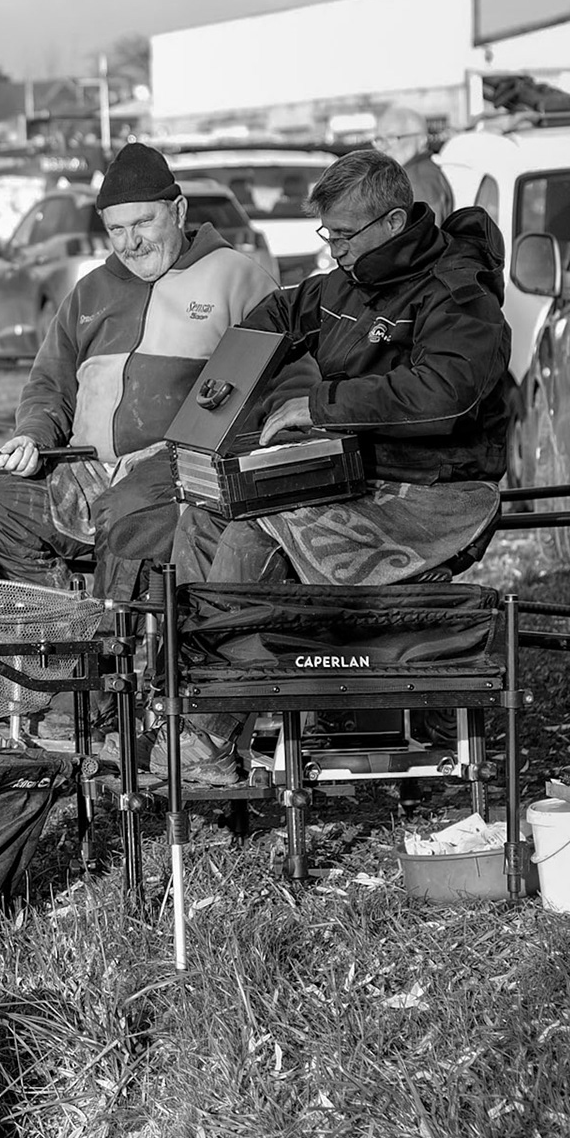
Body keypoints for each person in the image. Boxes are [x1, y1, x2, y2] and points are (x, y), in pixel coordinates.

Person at [167, 148, 511, 780]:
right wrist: (232, 380)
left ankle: (209, 735)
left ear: (394, 221)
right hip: (355, 473)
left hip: (435, 492)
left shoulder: (460, 294)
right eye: (328, 235)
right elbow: (282, 310)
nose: (335, 249)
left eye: (345, 234)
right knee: (204, 516)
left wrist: (320, 406)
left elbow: (446, 393)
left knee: (256, 523)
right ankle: (201, 701)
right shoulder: (345, 280)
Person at [0, 142, 277, 606]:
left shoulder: (239, 279)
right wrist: (32, 434)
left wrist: (173, 454)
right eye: (116, 230)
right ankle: (62, 624)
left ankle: (116, 640)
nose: (131, 243)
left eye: (143, 223)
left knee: (125, 513)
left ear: (178, 211)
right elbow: (50, 384)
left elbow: (277, 389)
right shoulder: (89, 291)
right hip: (86, 472)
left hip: (180, 473)